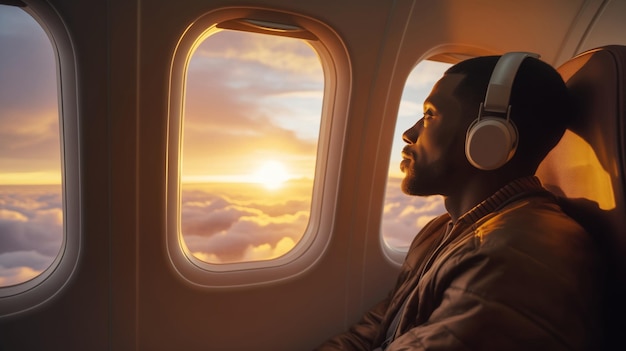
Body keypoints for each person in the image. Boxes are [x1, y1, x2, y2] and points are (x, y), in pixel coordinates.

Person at [315, 54, 603, 350]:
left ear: (489, 138)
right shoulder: (442, 231)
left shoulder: (515, 255)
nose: (409, 133)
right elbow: (375, 329)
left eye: (429, 115)